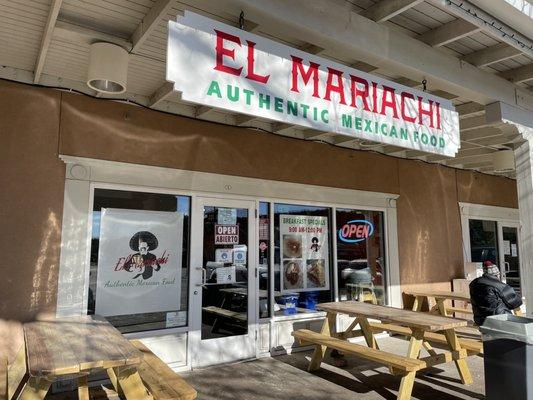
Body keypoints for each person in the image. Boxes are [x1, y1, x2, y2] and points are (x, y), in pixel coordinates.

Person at [469, 261, 522, 326]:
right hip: (499, 321)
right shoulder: (499, 286)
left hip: (480, 320)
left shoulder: (474, 283)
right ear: (497, 275)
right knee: (519, 325)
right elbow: (515, 303)